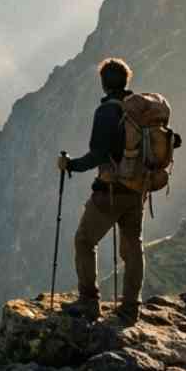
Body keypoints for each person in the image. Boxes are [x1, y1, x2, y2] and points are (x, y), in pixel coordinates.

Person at [56, 57, 144, 324]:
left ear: (103, 83)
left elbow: (98, 154)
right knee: (133, 248)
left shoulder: (107, 111)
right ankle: (130, 308)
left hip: (109, 192)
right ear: (126, 80)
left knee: (84, 240)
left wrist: (70, 165)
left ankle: (89, 302)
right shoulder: (138, 111)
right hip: (136, 191)